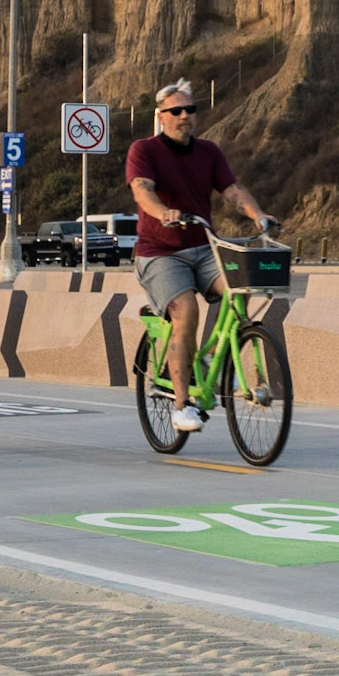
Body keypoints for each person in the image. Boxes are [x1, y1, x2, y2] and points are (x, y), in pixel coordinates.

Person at [125, 78, 275, 432]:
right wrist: (163, 212)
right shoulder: (144, 150)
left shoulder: (209, 151)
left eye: (190, 110)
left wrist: (258, 215)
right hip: (160, 252)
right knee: (186, 310)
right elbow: (141, 190)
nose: (184, 116)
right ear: (161, 117)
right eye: (176, 111)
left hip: (204, 247)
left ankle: (216, 360)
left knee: (241, 286)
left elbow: (232, 189)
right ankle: (181, 406)